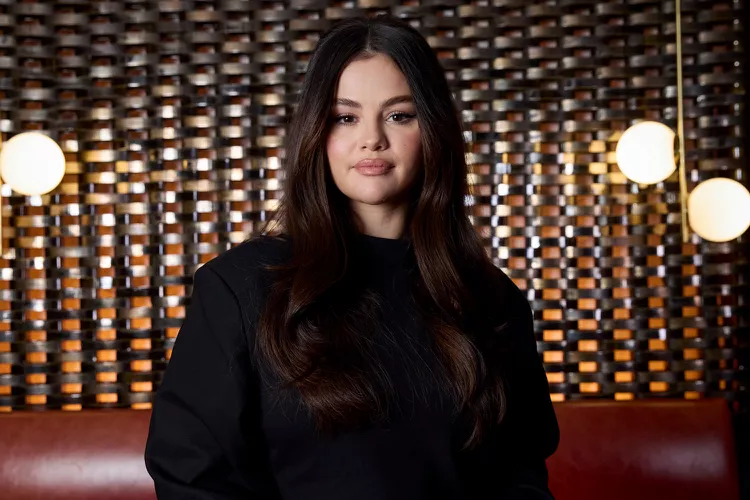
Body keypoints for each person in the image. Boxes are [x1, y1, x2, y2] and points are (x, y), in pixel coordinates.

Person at [144, 14, 559, 500]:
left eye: (399, 115)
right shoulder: (238, 287)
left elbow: (520, 477)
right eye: (345, 117)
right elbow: (192, 476)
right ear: (316, 133)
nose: (372, 139)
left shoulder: (492, 299)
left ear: (433, 130)